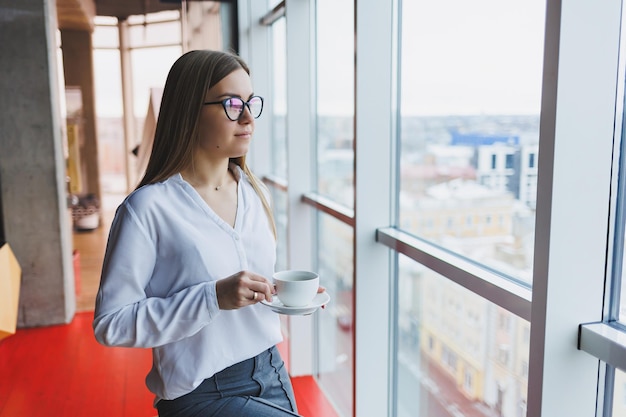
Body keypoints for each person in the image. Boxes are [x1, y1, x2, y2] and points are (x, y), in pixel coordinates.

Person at [93, 49, 302, 417]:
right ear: (190, 110)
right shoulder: (147, 209)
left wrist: (282, 292)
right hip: (203, 392)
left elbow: (245, 281)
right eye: (232, 104)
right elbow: (111, 323)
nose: (248, 117)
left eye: (251, 102)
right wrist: (211, 297)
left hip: (272, 371)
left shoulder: (257, 193)